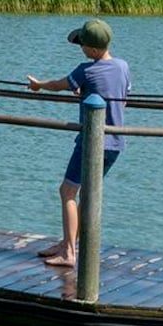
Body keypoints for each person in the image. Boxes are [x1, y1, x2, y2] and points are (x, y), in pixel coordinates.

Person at [26, 19, 130, 269]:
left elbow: (58, 85)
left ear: (93, 50)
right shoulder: (123, 66)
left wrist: (38, 85)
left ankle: (69, 252)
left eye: (82, 45)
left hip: (91, 142)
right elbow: (120, 97)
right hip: (115, 143)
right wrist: (86, 92)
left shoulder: (86, 70)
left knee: (68, 191)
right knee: (88, 194)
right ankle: (67, 243)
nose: (81, 49)